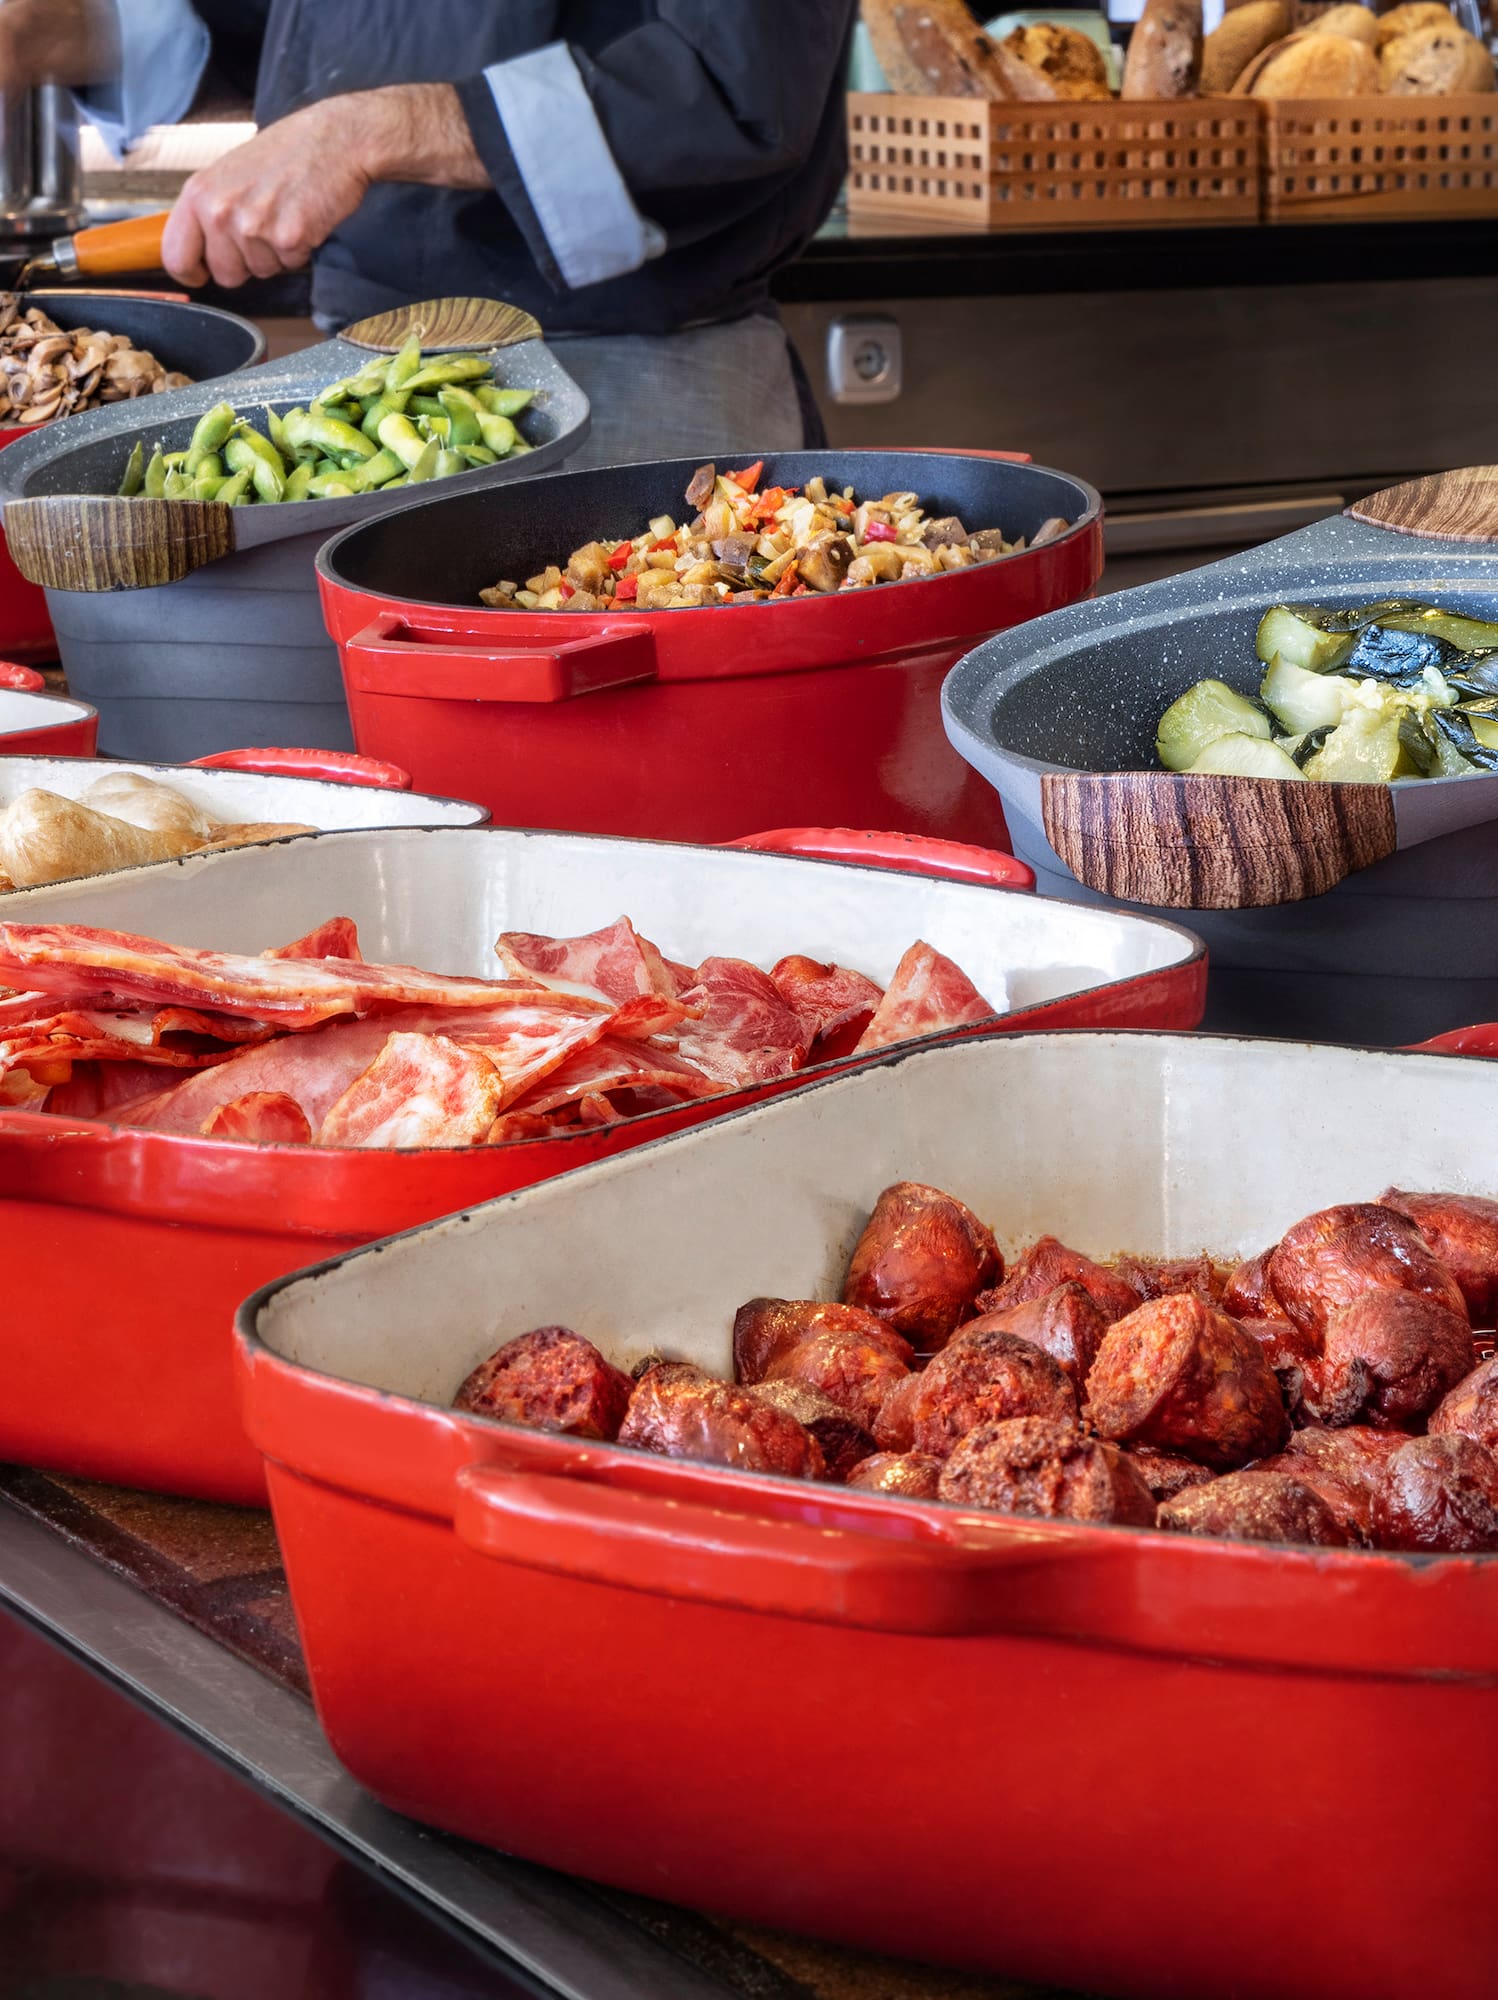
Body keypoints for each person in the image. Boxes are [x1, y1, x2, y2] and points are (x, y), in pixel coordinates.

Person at [3, 0, 857, 466]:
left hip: (636, 389)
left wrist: (371, 131)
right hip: (364, 392)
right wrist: (66, 33)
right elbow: (324, 30)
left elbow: (739, 83)